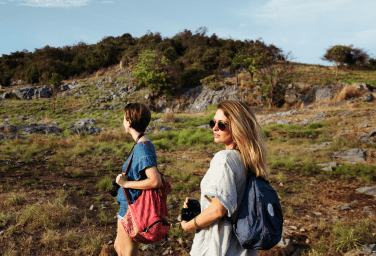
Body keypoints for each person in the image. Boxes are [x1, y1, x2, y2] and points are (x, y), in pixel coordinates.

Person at [181, 100, 268, 256]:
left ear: (237, 127)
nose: (215, 128)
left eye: (222, 124)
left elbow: (217, 210)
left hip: (220, 248)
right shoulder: (248, 160)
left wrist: (188, 225)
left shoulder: (225, 159)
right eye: (213, 122)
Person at [114, 103, 162, 256]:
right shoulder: (141, 144)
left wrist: (126, 183)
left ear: (129, 122)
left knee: (127, 253)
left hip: (132, 209)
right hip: (127, 206)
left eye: (124, 119)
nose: (123, 122)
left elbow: (155, 180)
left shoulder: (142, 147)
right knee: (118, 247)